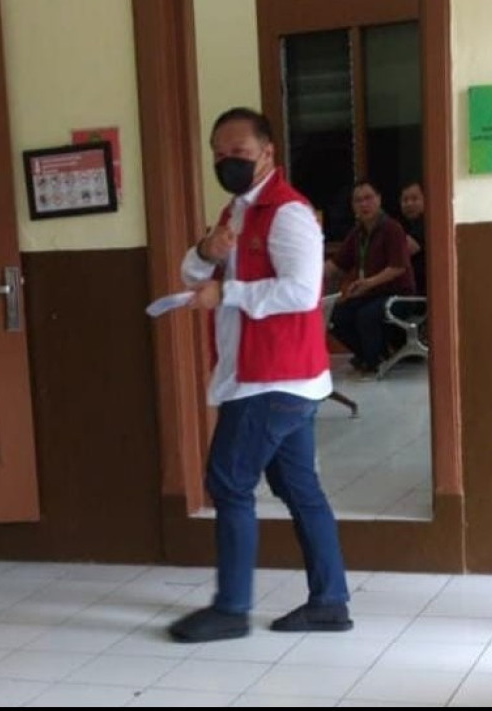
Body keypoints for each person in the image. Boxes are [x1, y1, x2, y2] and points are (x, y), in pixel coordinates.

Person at [167, 107, 353, 643]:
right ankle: (330, 603)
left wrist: (228, 292)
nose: (226, 162)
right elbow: (193, 271)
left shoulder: (287, 212)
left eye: (239, 153)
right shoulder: (236, 211)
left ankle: (231, 609)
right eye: (218, 154)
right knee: (299, 488)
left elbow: (302, 291)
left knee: (228, 482)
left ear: (268, 153)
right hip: (273, 376)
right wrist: (205, 252)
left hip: (272, 378)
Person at [324, 181, 415, 377]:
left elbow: (398, 267)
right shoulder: (357, 233)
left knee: (366, 315)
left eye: (368, 198)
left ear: (379, 200)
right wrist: (310, 274)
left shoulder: (392, 228)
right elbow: (337, 265)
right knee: (336, 315)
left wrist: (368, 283)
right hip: (371, 294)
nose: (363, 204)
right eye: (358, 201)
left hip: (398, 295)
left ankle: (374, 364)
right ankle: (368, 355)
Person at [400, 181, 427, 300]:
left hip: (421, 291)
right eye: (405, 200)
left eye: (414, 199)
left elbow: (407, 249)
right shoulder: (405, 224)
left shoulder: (427, 223)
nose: (409, 204)